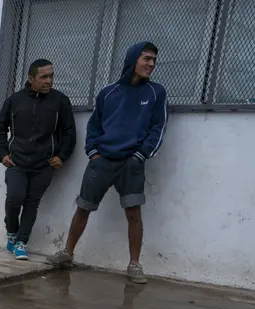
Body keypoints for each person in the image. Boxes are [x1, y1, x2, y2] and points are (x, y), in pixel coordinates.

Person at [47, 42, 167, 284]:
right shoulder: (108, 93)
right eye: (146, 59)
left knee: (134, 214)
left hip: (132, 164)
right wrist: (93, 152)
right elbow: (94, 126)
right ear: (133, 59)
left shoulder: (156, 92)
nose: (151, 64)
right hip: (101, 162)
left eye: (154, 60)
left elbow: (158, 128)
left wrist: (140, 156)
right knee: (83, 208)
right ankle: (67, 254)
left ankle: (134, 265)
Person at [0, 59, 75, 260]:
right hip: (17, 162)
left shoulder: (60, 101)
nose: (49, 81)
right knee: (14, 198)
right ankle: (11, 232)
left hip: (43, 164)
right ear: (31, 79)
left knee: (32, 203)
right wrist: (2, 153)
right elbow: (0, 128)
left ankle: (22, 241)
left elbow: (69, 131)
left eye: (51, 76)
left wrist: (62, 156)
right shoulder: (14, 100)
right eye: (44, 77)